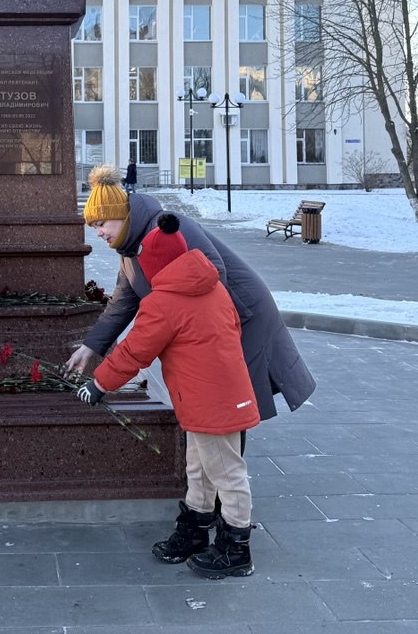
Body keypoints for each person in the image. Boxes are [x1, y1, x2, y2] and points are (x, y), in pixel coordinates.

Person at [66, 164, 316, 541]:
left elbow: (211, 272)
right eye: (93, 226)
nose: (98, 232)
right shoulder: (130, 247)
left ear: (121, 215)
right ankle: (206, 505)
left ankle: (226, 513)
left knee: (223, 413)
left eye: (101, 223)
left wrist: (170, 319)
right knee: (208, 415)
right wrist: (91, 345)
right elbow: (123, 301)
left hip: (239, 318)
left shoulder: (168, 227)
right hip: (204, 329)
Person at [76, 213, 258, 578]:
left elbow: (134, 351)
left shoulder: (164, 302)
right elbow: (232, 329)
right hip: (214, 395)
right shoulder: (213, 287)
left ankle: (236, 549)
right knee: (200, 465)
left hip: (211, 402)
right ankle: (195, 527)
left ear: (155, 266)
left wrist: (99, 384)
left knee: (226, 472)